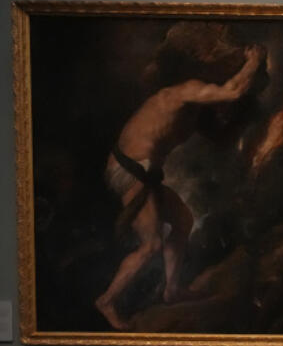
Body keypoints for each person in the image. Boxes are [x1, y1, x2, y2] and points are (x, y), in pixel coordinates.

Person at [94, 37, 267, 330]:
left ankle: (172, 291)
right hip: (129, 171)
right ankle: (107, 301)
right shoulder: (181, 92)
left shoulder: (193, 114)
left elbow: (223, 137)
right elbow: (235, 90)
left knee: (183, 220)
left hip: (145, 173)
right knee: (150, 246)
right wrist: (255, 61)